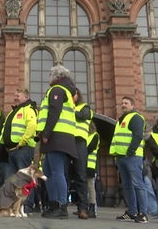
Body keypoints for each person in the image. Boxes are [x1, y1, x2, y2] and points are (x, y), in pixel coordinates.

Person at [35, 65, 77, 219]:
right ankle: (53, 204)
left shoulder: (57, 90)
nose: (49, 77)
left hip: (57, 136)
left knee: (57, 171)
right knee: (48, 171)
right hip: (60, 136)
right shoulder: (65, 91)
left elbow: (54, 111)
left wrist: (46, 133)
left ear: (57, 76)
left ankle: (60, 204)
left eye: (50, 74)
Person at [109, 96, 148, 223]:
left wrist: (131, 151)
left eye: (126, 103)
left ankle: (143, 213)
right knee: (127, 186)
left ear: (132, 105)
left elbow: (138, 135)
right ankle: (132, 212)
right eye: (122, 103)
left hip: (132, 156)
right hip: (121, 157)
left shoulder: (136, 117)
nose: (123, 105)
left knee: (138, 184)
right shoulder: (121, 120)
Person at [0, 88, 38, 213]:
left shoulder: (28, 109)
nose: (15, 97)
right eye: (14, 95)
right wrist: (2, 142)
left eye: (18, 95)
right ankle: (14, 206)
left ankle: (27, 206)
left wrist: (22, 142)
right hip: (11, 150)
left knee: (26, 180)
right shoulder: (14, 111)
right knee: (13, 180)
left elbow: (32, 126)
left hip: (23, 149)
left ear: (26, 97)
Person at [70, 88, 92, 219]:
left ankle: (83, 208)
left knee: (81, 176)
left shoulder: (85, 107)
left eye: (73, 94)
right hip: (66, 141)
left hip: (79, 143)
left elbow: (82, 116)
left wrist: (71, 109)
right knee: (64, 175)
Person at [86, 122, 100, 218]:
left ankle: (93, 209)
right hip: (84, 165)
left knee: (90, 187)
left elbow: (90, 148)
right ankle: (86, 207)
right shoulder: (86, 136)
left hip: (90, 165)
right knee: (85, 187)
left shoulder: (95, 135)